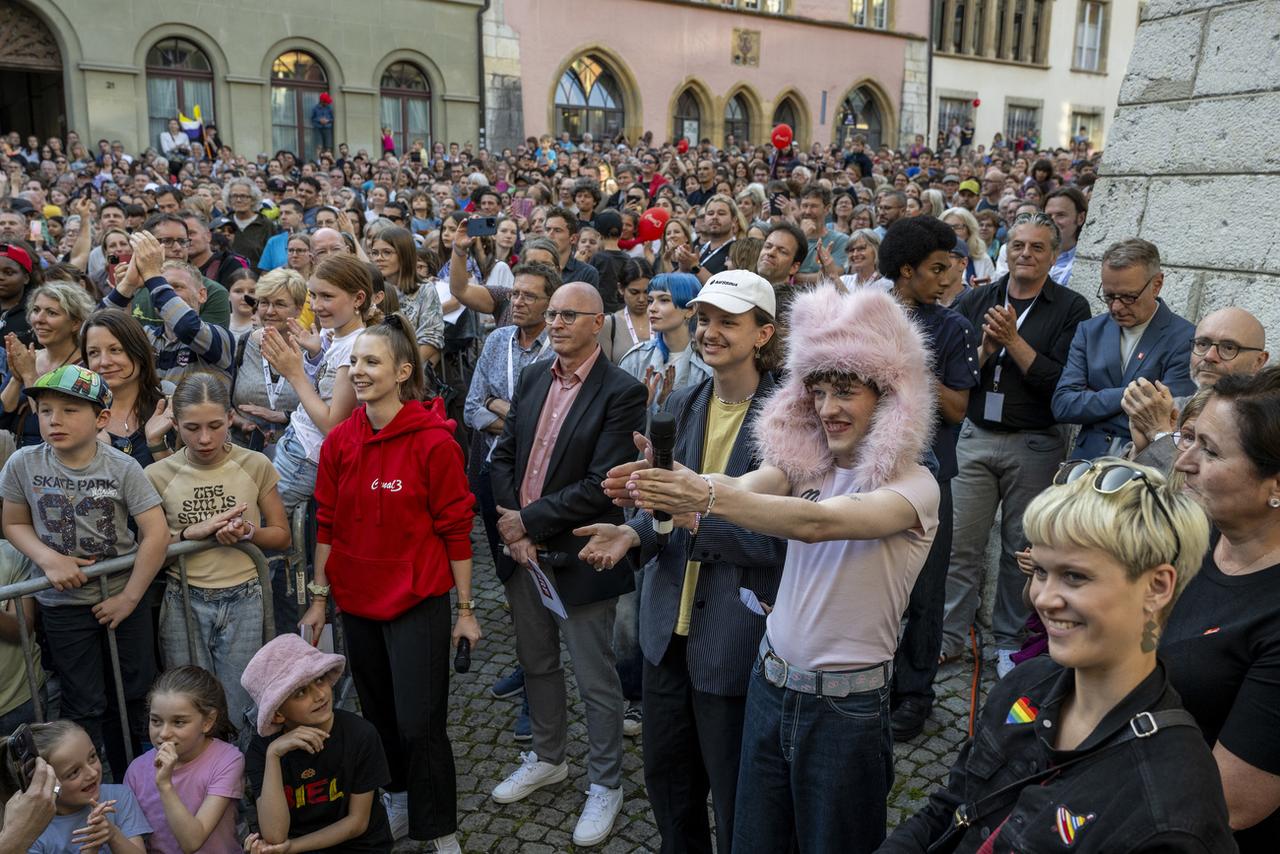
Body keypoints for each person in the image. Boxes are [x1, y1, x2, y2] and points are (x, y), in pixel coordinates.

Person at [614, 283, 939, 853]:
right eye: (817, 391)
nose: (828, 408)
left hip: (847, 705)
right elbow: (741, 485)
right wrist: (666, 485)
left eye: (846, 391)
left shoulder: (916, 485)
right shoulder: (801, 466)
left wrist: (696, 495)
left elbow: (816, 524)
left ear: (889, 398)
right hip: (770, 684)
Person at [882, 457, 1235, 853]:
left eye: (1075, 576)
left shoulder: (1172, 802)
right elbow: (951, 809)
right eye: (1041, 572)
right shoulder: (1023, 684)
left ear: (1156, 586)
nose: (1044, 600)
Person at [577, 270, 786, 854]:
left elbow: (778, 539)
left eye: (728, 322)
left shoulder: (786, 422)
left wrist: (694, 515)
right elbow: (665, 509)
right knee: (669, 783)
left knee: (734, 789)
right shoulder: (682, 400)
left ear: (764, 333)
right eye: (705, 319)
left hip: (732, 634)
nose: (710, 331)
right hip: (665, 631)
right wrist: (635, 533)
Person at [300, 316, 478, 852]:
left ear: (403, 372)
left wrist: (466, 609)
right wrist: (318, 597)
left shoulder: (433, 444)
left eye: (371, 361)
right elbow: (326, 521)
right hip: (356, 603)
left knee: (421, 722)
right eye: (354, 361)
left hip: (416, 601)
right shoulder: (340, 443)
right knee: (377, 715)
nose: (358, 371)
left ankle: (439, 827)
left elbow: (456, 529)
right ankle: (398, 802)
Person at [487, 282, 647, 848]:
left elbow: (601, 486)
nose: (553, 322)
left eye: (566, 314)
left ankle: (605, 783)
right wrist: (513, 523)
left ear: (597, 322)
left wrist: (525, 522)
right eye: (550, 313)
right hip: (523, 554)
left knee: (595, 677)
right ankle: (549, 756)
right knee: (537, 664)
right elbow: (504, 454)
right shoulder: (533, 377)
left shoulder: (622, 391)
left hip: (579, 554)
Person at [942, 213, 1092, 676]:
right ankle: (949, 637)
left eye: (1037, 248)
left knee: (1021, 550)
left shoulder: (1070, 307)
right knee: (959, 546)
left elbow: (1060, 382)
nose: (1025, 254)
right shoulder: (977, 297)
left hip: (1034, 441)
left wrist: (1014, 341)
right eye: (1019, 245)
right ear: (1007, 248)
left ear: (1053, 254)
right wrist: (987, 348)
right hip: (975, 436)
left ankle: (1009, 641)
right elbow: (956, 372)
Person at [0, 365, 169, 776]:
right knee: (83, 702)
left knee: (135, 695)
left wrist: (129, 599)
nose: (54, 420)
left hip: (124, 600)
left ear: (101, 419)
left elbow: (157, 533)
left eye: (70, 410)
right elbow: (14, 522)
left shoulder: (122, 467)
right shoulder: (23, 462)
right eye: (45, 410)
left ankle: (144, 779)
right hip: (62, 607)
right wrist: (48, 558)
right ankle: (91, 784)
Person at [1163, 367, 1280, 849]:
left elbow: (1232, 802)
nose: (1184, 461)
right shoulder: (1197, 537)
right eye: (1187, 439)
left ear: (1276, 485)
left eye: (1209, 450)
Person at [877, 217, 981, 741]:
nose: (946, 278)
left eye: (951, 267)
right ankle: (865, 680)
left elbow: (959, 408)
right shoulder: (865, 317)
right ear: (905, 269)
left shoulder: (954, 328)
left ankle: (914, 693)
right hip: (867, 474)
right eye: (936, 269)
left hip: (928, 479)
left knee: (924, 592)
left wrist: (914, 367)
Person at [145, 372, 290, 733]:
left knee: (239, 706)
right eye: (192, 428)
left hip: (245, 598)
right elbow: (150, 548)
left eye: (214, 425)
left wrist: (249, 533)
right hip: (184, 600)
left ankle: (240, 785)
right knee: (190, 705)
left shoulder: (255, 464)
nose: (205, 438)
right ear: (175, 425)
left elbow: (282, 535)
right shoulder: (156, 474)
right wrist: (190, 533)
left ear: (230, 419)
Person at [241, 633, 394, 853]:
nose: (319, 695)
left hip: (359, 846)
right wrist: (274, 755)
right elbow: (275, 835)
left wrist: (291, 847)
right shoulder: (262, 751)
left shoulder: (360, 735)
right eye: (301, 692)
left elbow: (357, 823)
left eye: (320, 680)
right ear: (277, 715)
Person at [1052, 239, 1196, 458]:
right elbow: (1063, 405)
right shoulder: (1090, 331)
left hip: (1144, 463)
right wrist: (1134, 394)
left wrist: (1094, 397)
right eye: (1109, 296)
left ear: (1156, 284)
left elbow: (1169, 417)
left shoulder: (1185, 338)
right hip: (1085, 461)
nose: (1116, 307)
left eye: (1129, 297)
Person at [264, 253, 374, 515]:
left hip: (307, 457)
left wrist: (295, 374)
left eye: (327, 296)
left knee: (271, 528)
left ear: (358, 299)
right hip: (298, 443)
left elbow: (333, 425)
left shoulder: (356, 347)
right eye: (312, 296)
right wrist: (316, 355)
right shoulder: (335, 334)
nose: (315, 305)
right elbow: (326, 389)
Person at [1123, 306, 1268, 469]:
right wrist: (1140, 450)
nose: (1209, 356)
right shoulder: (1170, 408)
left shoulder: (1263, 424)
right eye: (1202, 344)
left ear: (1259, 361)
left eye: (1229, 348)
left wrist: (1159, 434)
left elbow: (1196, 489)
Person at [123, 666, 245, 854]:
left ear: (208, 721)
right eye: (155, 721)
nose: (163, 733)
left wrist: (165, 785)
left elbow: (192, 842)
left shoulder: (228, 760)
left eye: (178, 722)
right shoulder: (136, 770)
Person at [101, 232, 235, 384]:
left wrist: (152, 275)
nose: (167, 293)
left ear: (202, 295)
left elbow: (187, 327)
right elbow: (98, 331)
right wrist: (127, 286)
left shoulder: (220, 337)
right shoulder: (147, 337)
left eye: (177, 287)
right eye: (161, 286)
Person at [26, 720, 150, 853]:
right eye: (74, 772)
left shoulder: (119, 797)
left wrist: (113, 835)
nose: (92, 773)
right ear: (47, 783)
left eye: (92, 757)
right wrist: (92, 843)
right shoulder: (33, 833)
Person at [1, 281, 95, 448]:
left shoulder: (85, 368)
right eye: (36, 310)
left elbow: (52, 427)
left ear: (75, 323)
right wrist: (17, 378)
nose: (39, 319)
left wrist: (29, 376)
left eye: (51, 313)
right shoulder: (28, 359)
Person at [80, 308, 174, 468]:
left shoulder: (170, 408)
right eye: (94, 353)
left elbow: (187, 484)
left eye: (115, 350)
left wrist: (156, 444)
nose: (104, 362)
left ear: (139, 352)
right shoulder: (76, 414)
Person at [228, 269, 307, 453]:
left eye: (279, 304)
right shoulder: (244, 343)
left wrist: (285, 416)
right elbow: (226, 402)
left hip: (296, 454)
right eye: (264, 303)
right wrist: (242, 423)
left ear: (299, 308)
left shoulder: (311, 350)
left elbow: (328, 409)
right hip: (244, 450)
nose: (270, 311)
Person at [618, 273, 711, 413]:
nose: (651, 308)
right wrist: (641, 407)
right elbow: (616, 419)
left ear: (691, 309)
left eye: (664, 300)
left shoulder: (708, 365)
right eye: (651, 300)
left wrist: (667, 406)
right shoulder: (635, 359)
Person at [367, 226, 445, 366]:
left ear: (404, 255)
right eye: (375, 253)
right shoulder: (367, 289)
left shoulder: (425, 291)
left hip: (408, 370)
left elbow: (431, 339)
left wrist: (401, 368)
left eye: (387, 252)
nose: (379, 258)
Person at [1044, 186, 1087, 286]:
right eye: (1048, 216)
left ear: (1080, 218)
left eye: (1061, 215)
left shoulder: (1087, 263)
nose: (1052, 221)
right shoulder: (1033, 256)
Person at [226, 268, 258, 338]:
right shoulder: (220, 322)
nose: (245, 297)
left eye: (252, 292)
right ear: (228, 295)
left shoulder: (264, 326)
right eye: (238, 291)